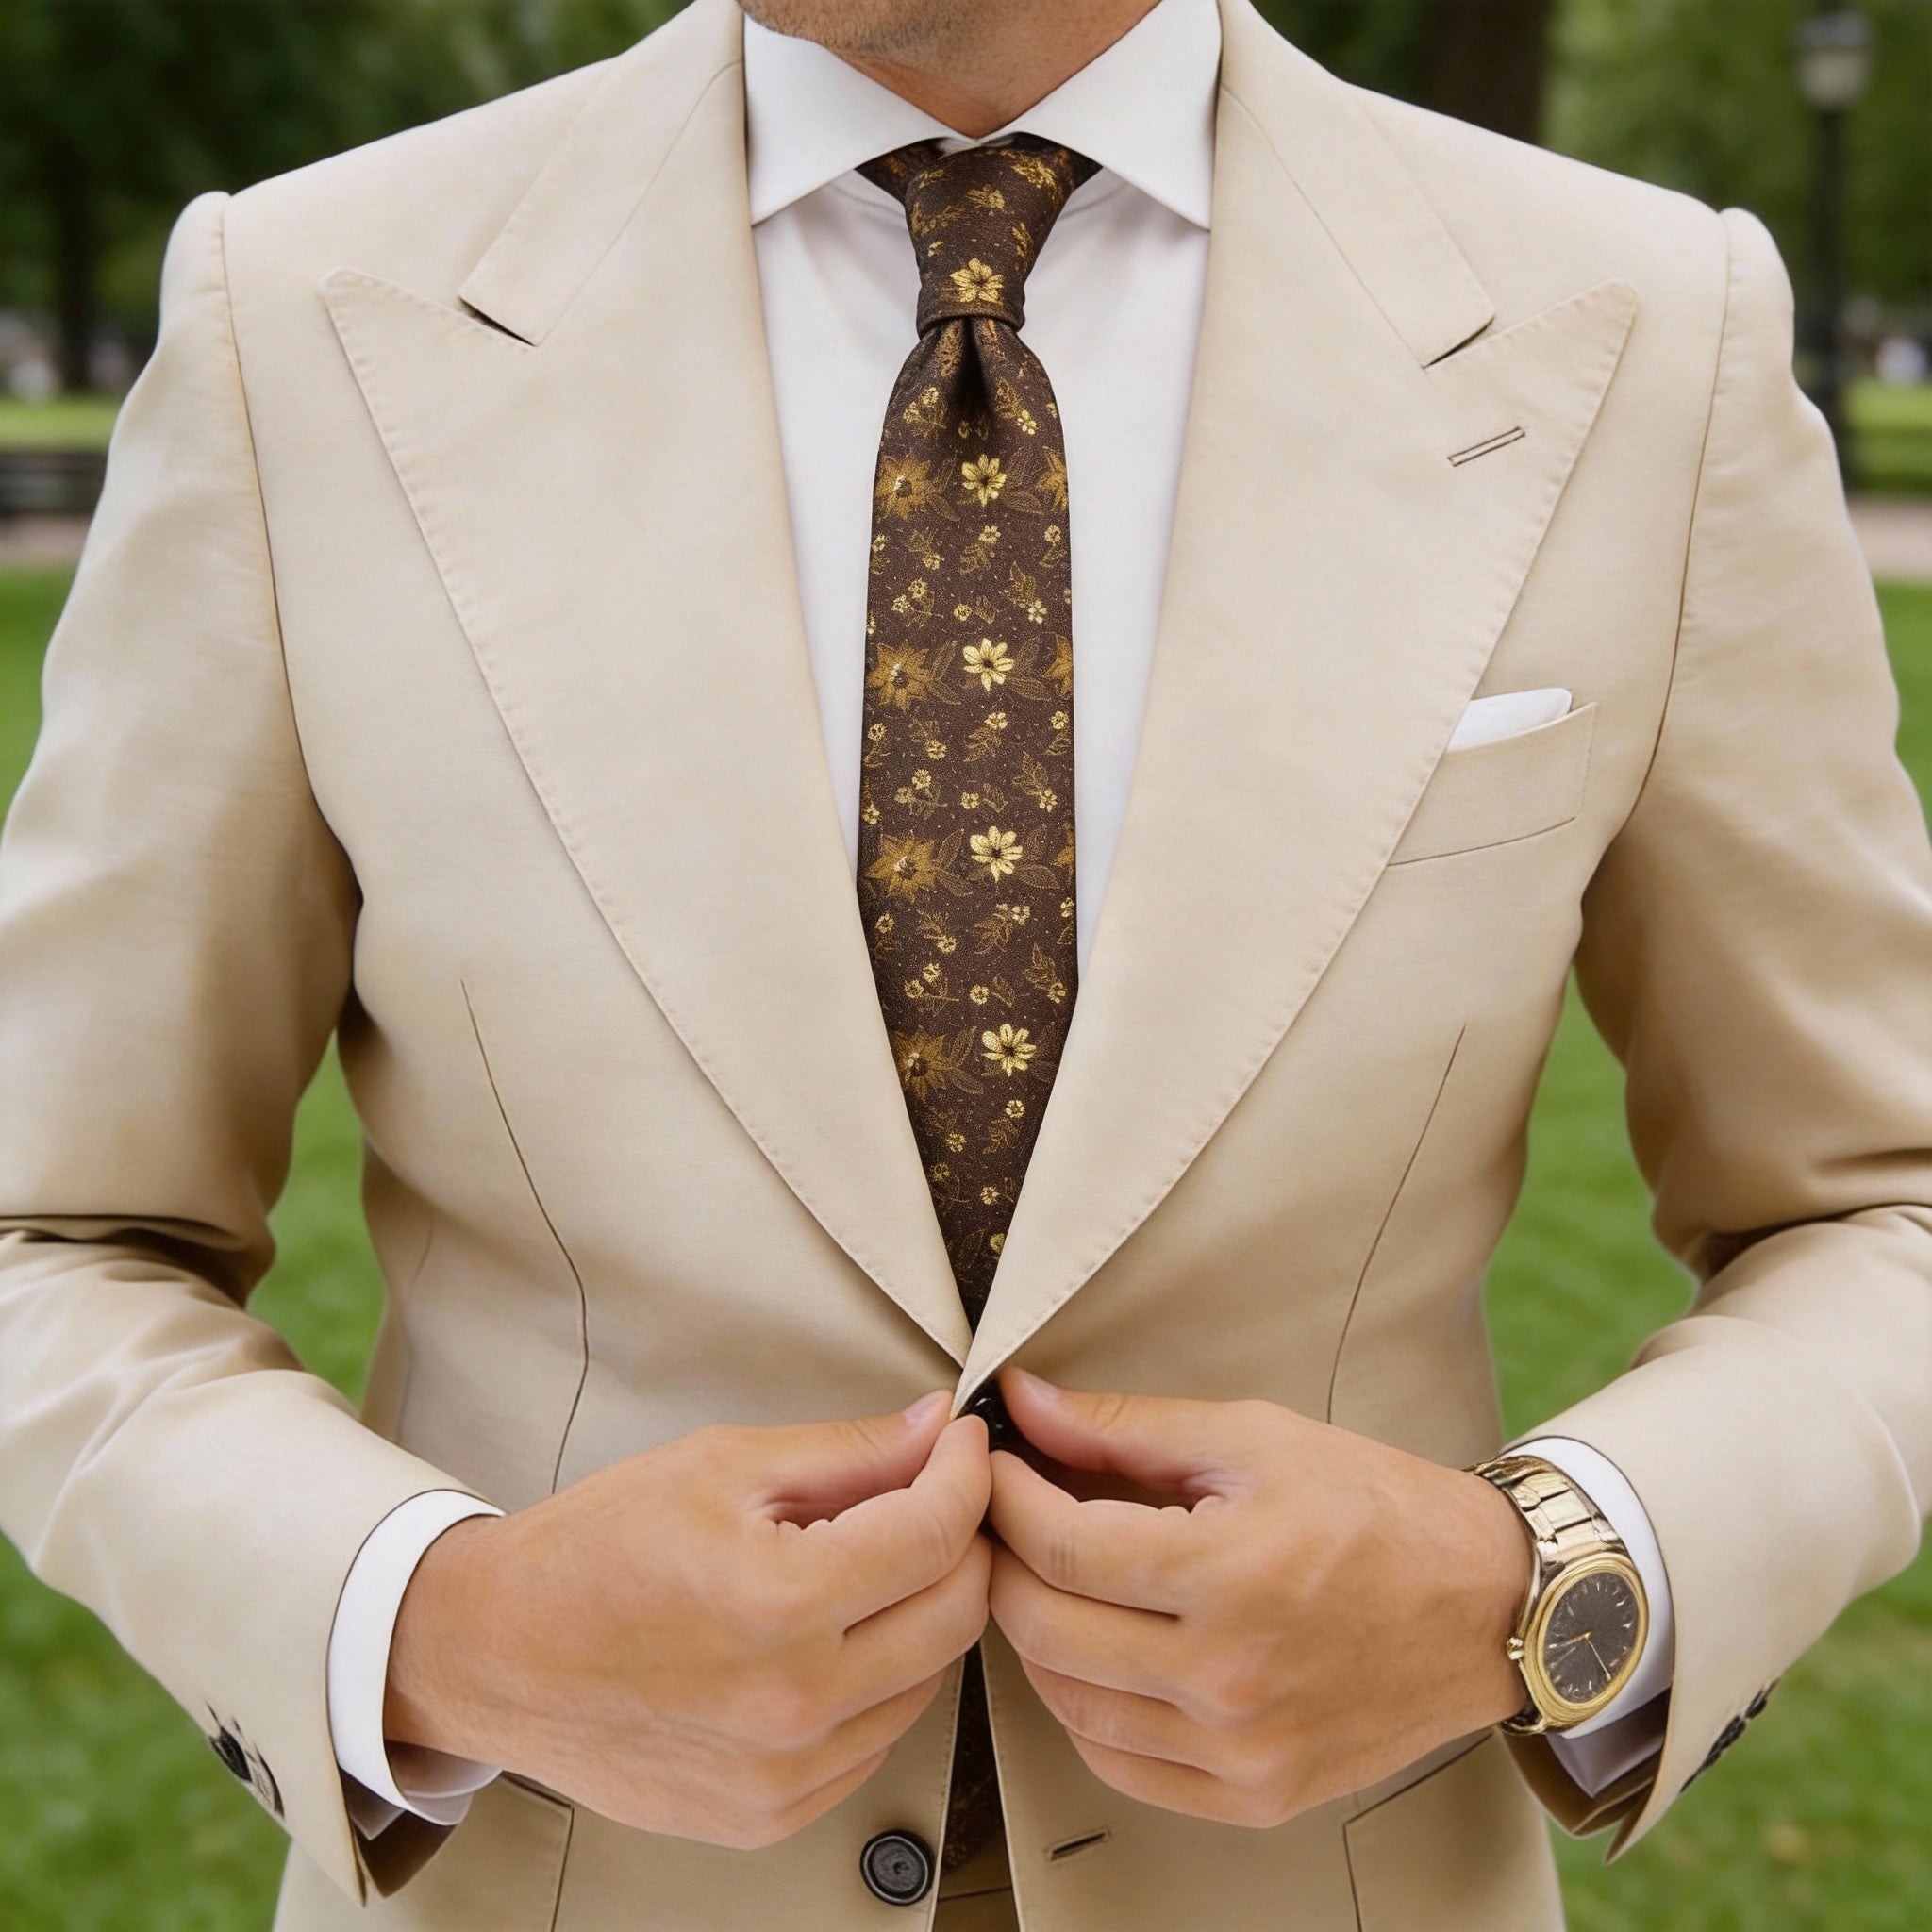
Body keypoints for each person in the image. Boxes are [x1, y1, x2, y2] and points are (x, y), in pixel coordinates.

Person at [3, 0, 1929, 1924]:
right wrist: (442, 1626)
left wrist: (1537, 1587)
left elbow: (1880, 1204)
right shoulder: (305, 312)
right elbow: (53, 1230)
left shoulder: (1644, 328)